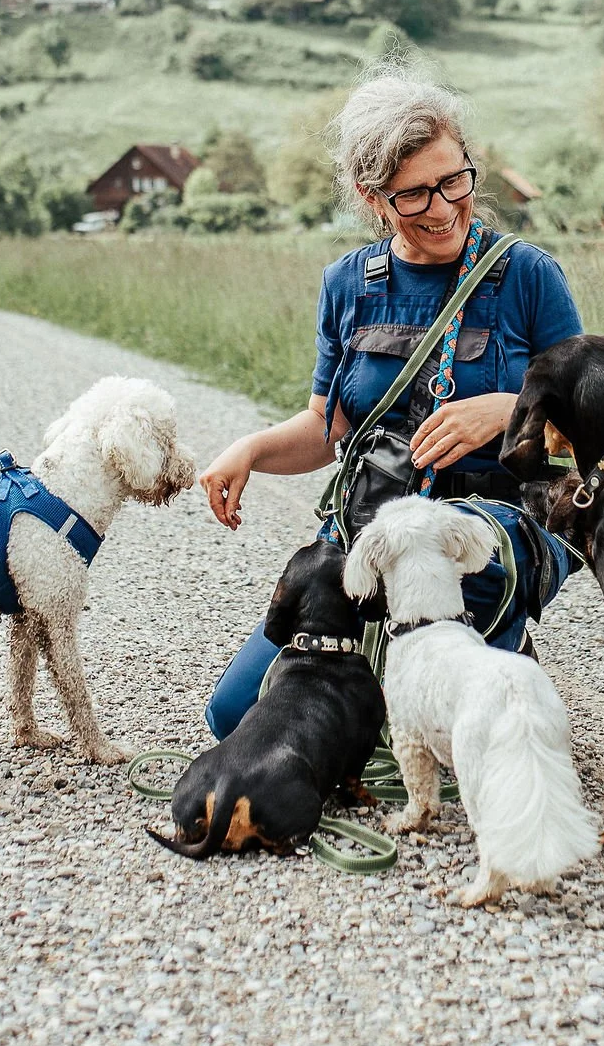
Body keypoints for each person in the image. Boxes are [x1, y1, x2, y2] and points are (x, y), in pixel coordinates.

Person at [196, 64, 584, 738]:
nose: (442, 208)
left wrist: (507, 411)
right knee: (235, 716)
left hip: (495, 537)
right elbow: (327, 426)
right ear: (370, 196)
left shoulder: (529, 276)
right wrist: (251, 449)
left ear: (469, 161)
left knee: (464, 722)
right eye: (413, 195)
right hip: (378, 529)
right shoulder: (348, 284)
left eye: (453, 180)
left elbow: (600, 432)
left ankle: (500, 642)